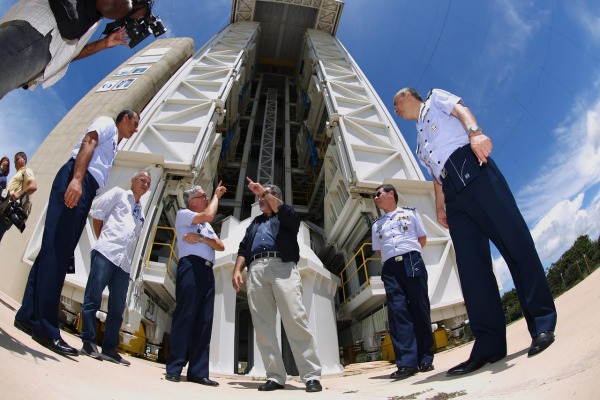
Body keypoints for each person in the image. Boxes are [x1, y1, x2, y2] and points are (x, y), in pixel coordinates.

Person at [393, 87, 557, 376]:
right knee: (472, 271)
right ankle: (489, 345)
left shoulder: (435, 99)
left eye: (397, 103)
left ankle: (542, 323)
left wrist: (475, 132)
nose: (395, 109)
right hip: (453, 195)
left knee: (514, 243)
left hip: (473, 167)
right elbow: (435, 175)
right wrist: (440, 206)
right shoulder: (419, 142)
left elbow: (460, 109)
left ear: (409, 96)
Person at [13, 109, 140, 357]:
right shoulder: (106, 124)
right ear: (124, 119)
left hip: (86, 186)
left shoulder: (114, 143)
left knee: (51, 252)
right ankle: (46, 328)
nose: (135, 129)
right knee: (58, 255)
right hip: (78, 179)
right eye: (135, 124)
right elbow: (88, 143)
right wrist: (77, 180)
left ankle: (28, 316)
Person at [232, 178, 323, 393]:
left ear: (276, 198)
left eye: (265, 196)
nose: (261, 199)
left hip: (282, 266)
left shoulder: (286, 217)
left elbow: (289, 217)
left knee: (295, 318)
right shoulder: (254, 224)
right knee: (263, 326)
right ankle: (275, 376)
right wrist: (237, 269)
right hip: (256, 270)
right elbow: (243, 248)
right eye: (260, 196)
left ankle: (311, 376)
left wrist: (264, 192)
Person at [0, 0, 147, 99]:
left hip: (39, 48)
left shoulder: (88, 17)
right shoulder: (119, 6)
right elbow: (110, 5)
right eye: (135, 16)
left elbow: (65, 58)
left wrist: (103, 43)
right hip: (38, 34)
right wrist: (131, 7)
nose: (132, 19)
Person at [79, 170, 151, 365]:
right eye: (142, 180)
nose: (145, 184)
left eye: (148, 183)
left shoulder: (141, 212)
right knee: (92, 298)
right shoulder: (119, 194)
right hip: (106, 253)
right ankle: (88, 342)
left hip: (124, 264)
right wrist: (103, 241)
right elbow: (97, 215)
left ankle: (110, 349)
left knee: (117, 309)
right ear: (133, 180)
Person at [165, 183, 226, 386]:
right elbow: (209, 215)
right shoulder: (184, 214)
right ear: (192, 201)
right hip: (190, 267)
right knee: (185, 315)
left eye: (208, 196)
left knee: (204, 320)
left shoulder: (206, 227)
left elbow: (220, 245)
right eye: (203, 196)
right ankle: (174, 368)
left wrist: (200, 237)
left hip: (207, 271)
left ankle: (198, 372)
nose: (207, 198)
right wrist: (217, 196)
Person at [371, 183, 434, 380]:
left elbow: (421, 239)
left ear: (391, 194)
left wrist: (407, 255)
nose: (376, 198)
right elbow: (380, 250)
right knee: (398, 313)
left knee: (419, 308)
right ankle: (407, 363)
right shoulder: (376, 225)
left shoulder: (410, 214)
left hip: (411, 262)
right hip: (390, 269)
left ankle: (425, 358)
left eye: (378, 194)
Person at [0, 152, 37, 241]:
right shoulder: (18, 173)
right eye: (14, 161)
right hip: (3, 208)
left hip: (8, 211)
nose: (15, 163)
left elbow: (33, 186)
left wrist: (19, 194)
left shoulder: (26, 171)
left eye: (17, 159)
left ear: (23, 159)